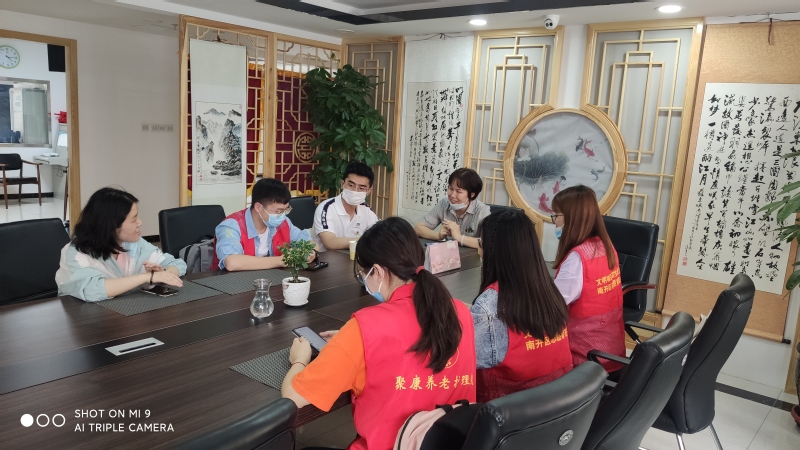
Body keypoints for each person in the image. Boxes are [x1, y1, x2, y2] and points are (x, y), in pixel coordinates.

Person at [281, 217, 476, 450]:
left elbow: (292, 397)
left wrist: (300, 359)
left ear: (379, 272)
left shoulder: (365, 327)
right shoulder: (461, 313)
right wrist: (353, 342)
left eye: (364, 273)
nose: (365, 280)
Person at [471, 209, 572, 402]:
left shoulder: (489, 308)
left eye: (481, 243)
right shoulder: (550, 290)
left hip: (506, 413)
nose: (479, 249)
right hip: (559, 405)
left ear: (494, 251)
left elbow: (463, 363)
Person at [55, 187, 186, 302]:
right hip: (82, 316)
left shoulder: (134, 243)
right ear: (111, 226)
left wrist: (163, 274)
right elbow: (91, 290)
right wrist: (146, 277)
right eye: (133, 219)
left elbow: (176, 264)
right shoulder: (75, 253)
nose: (140, 223)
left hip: (124, 310)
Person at [551, 185, 625, 372]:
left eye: (556, 215)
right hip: (611, 350)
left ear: (571, 218)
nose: (555, 222)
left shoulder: (577, 259)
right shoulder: (605, 246)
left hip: (583, 357)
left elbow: (550, 305)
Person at [212, 178, 317, 271]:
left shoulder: (283, 222)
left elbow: (311, 243)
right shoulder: (231, 226)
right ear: (258, 207)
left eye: (285, 210)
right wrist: (283, 260)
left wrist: (310, 252)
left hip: (272, 279)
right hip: (232, 283)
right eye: (278, 211)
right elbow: (232, 263)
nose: (282, 215)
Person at [414, 168, 490, 249]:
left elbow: (487, 243)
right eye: (451, 189)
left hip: (471, 256)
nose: (452, 195)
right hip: (448, 254)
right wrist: (438, 235)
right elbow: (418, 228)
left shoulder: (482, 211)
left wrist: (459, 237)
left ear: (472, 194)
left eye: (458, 191)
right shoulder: (444, 204)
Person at [312, 162, 379, 252]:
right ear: (342, 184)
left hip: (354, 259)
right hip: (326, 259)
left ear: (368, 191)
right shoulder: (326, 208)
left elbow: (380, 236)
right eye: (351, 185)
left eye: (361, 188)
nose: (355, 191)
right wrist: (365, 240)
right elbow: (330, 243)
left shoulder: (366, 210)